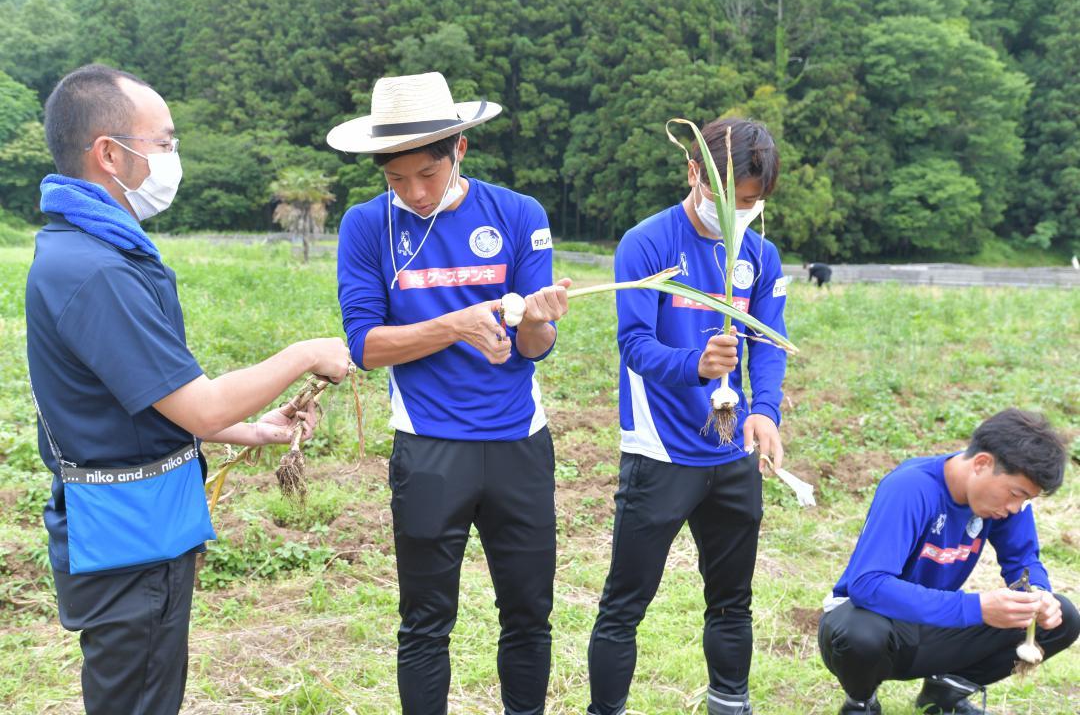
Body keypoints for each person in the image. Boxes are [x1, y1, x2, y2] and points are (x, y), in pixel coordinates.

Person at [25, 64, 352, 715]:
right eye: (164, 142)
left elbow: (161, 401)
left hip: (145, 529)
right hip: (131, 544)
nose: (174, 157)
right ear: (110, 154)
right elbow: (199, 403)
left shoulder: (96, 253)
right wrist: (303, 354)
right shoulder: (95, 273)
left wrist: (256, 428)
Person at [329, 71, 570, 715]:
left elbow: (532, 346)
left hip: (518, 442)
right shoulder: (364, 228)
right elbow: (365, 347)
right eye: (396, 179)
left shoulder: (519, 215)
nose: (413, 192)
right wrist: (456, 326)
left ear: (458, 149)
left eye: (426, 176)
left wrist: (539, 319)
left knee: (527, 613)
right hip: (429, 449)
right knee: (426, 621)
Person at [587, 117, 788, 715]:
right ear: (696, 172)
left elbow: (769, 341)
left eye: (754, 203)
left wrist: (766, 412)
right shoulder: (648, 243)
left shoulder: (758, 253)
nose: (743, 212)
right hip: (662, 452)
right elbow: (635, 345)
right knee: (626, 601)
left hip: (731, 455)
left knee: (733, 600)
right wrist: (694, 364)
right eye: (735, 199)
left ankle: (730, 702)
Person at [818, 409, 1079, 715]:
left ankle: (944, 694)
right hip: (875, 623)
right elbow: (868, 585)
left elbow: (1022, 560)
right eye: (1015, 494)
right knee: (860, 635)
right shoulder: (911, 488)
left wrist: (1037, 593)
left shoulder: (1006, 505)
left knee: (1064, 618)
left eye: (1025, 500)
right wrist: (976, 607)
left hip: (935, 627)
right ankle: (861, 701)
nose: (1015, 508)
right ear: (982, 463)